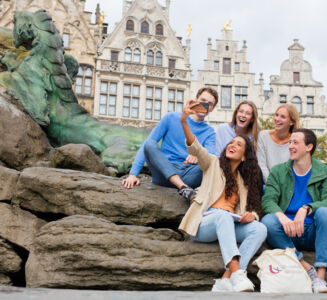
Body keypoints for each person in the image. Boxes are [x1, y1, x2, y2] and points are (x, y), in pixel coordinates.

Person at [178, 100, 267, 292]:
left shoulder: (244, 182)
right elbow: (195, 147)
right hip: (204, 225)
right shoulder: (212, 163)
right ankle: (237, 273)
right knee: (223, 215)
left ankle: (225, 280)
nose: (232, 145)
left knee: (259, 229)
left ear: (244, 156)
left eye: (239, 144)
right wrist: (185, 121)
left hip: (229, 223)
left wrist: (252, 215)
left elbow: (254, 207)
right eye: (231, 142)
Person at [261, 128, 327, 293]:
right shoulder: (278, 171)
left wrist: (306, 208)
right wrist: (282, 217)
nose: (290, 146)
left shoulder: (324, 171)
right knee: (267, 221)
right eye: (290, 142)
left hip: (314, 232)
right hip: (287, 231)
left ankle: (320, 277)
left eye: (295, 142)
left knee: (325, 212)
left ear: (309, 147)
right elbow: (268, 200)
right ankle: (305, 266)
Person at [122, 87, 217, 201]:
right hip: (163, 172)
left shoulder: (210, 132)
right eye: (203, 100)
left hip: (188, 175)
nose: (205, 104)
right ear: (195, 100)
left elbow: (210, 157)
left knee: (212, 161)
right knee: (150, 144)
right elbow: (147, 145)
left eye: (210, 104)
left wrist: (198, 155)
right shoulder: (171, 118)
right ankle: (182, 187)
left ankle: (183, 186)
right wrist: (133, 174)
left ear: (212, 109)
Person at [257, 104, 300, 183]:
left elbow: (295, 169)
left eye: (283, 117)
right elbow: (262, 165)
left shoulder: (295, 141)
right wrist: (273, 184)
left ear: (291, 122)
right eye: (276, 115)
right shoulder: (263, 136)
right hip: (268, 184)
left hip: (288, 186)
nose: (277, 119)